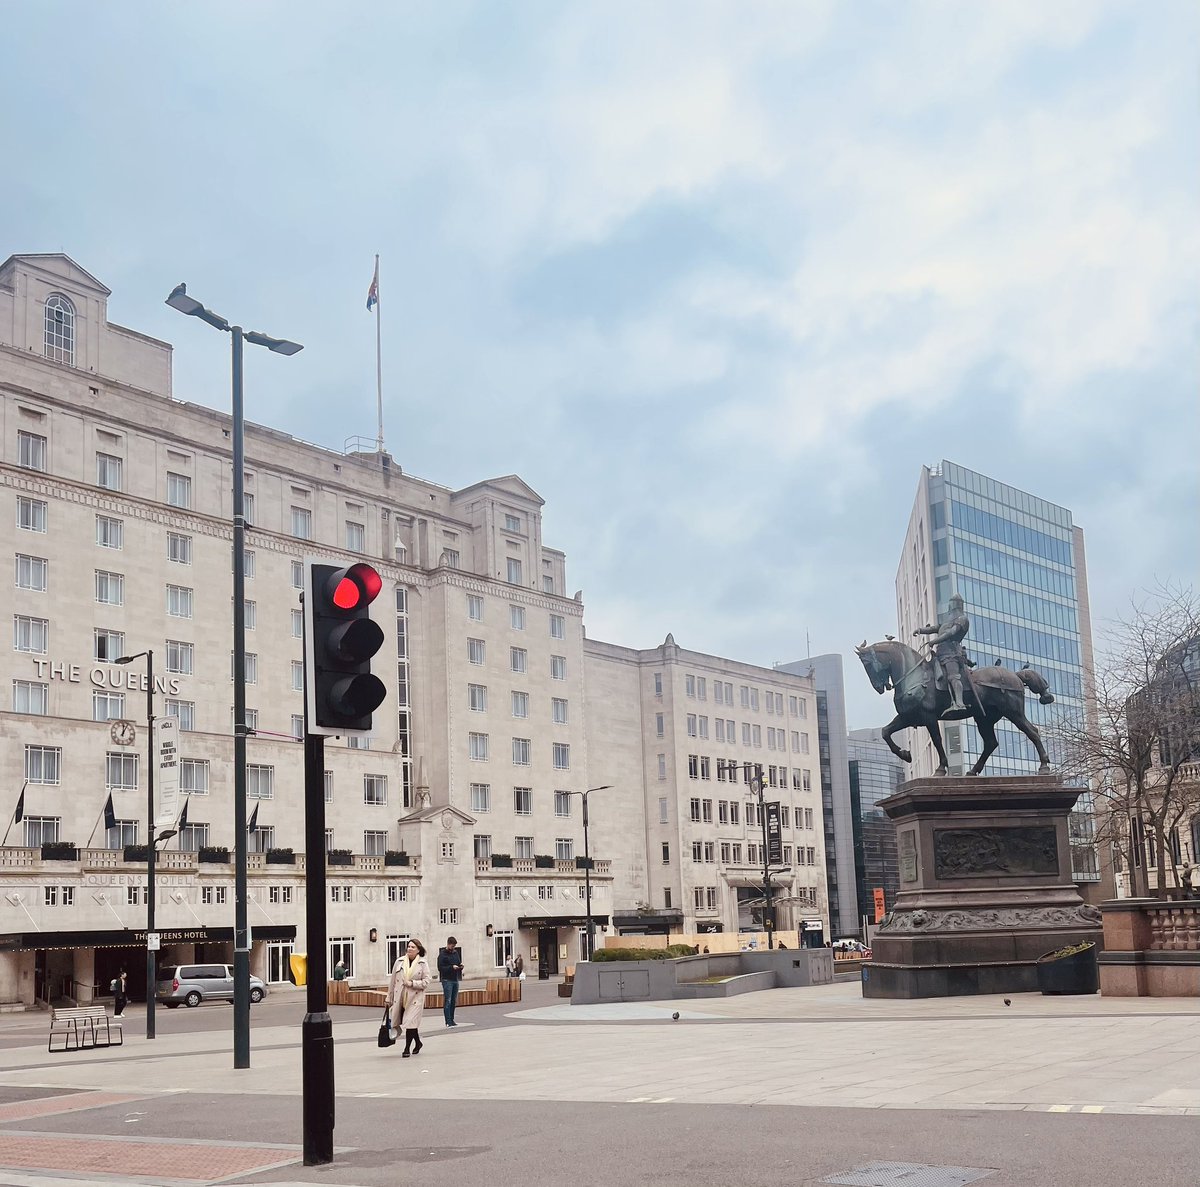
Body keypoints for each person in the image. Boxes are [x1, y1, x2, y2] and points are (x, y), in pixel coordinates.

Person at [914, 592, 973, 715]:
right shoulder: (947, 621)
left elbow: (951, 633)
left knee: (953, 676)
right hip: (940, 653)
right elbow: (934, 628)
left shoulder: (962, 619)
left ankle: (959, 703)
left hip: (952, 653)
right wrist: (920, 630)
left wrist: (934, 641)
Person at [386, 939, 431, 1057]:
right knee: (410, 1023)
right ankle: (418, 1043)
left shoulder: (423, 963)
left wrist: (412, 983)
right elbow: (392, 982)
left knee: (410, 1023)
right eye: (409, 946)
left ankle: (406, 1049)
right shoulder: (399, 962)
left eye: (413, 947)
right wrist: (388, 997)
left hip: (415, 998)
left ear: (418, 950)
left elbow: (426, 982)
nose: (410, 949)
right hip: (401, 997)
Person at [437, 936, 464, 1027]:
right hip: (447, 979)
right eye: (452, 946)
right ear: (448, 944)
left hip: (455, 979)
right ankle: (448, 1021)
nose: (453, 948)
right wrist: (451, 967)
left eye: (454, 947)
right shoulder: (442, 955)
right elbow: (440, 968)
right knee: (447, 1000)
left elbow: (458, 962)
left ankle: (452, 1019)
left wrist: (460, 966)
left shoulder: (455, 953)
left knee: (453, 1000)